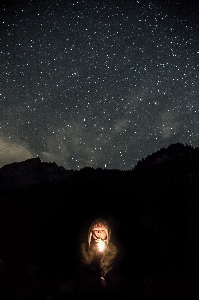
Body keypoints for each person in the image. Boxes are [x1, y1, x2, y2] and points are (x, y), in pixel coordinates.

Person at [80, 218, 118, 282]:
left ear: (107, 233)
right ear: (91, 233)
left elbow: (108, 265)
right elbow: (86, 263)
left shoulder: (112, 248)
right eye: (96, 230)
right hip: (88, 278)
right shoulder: (85, 247)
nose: (99, 232)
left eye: (102, 230)